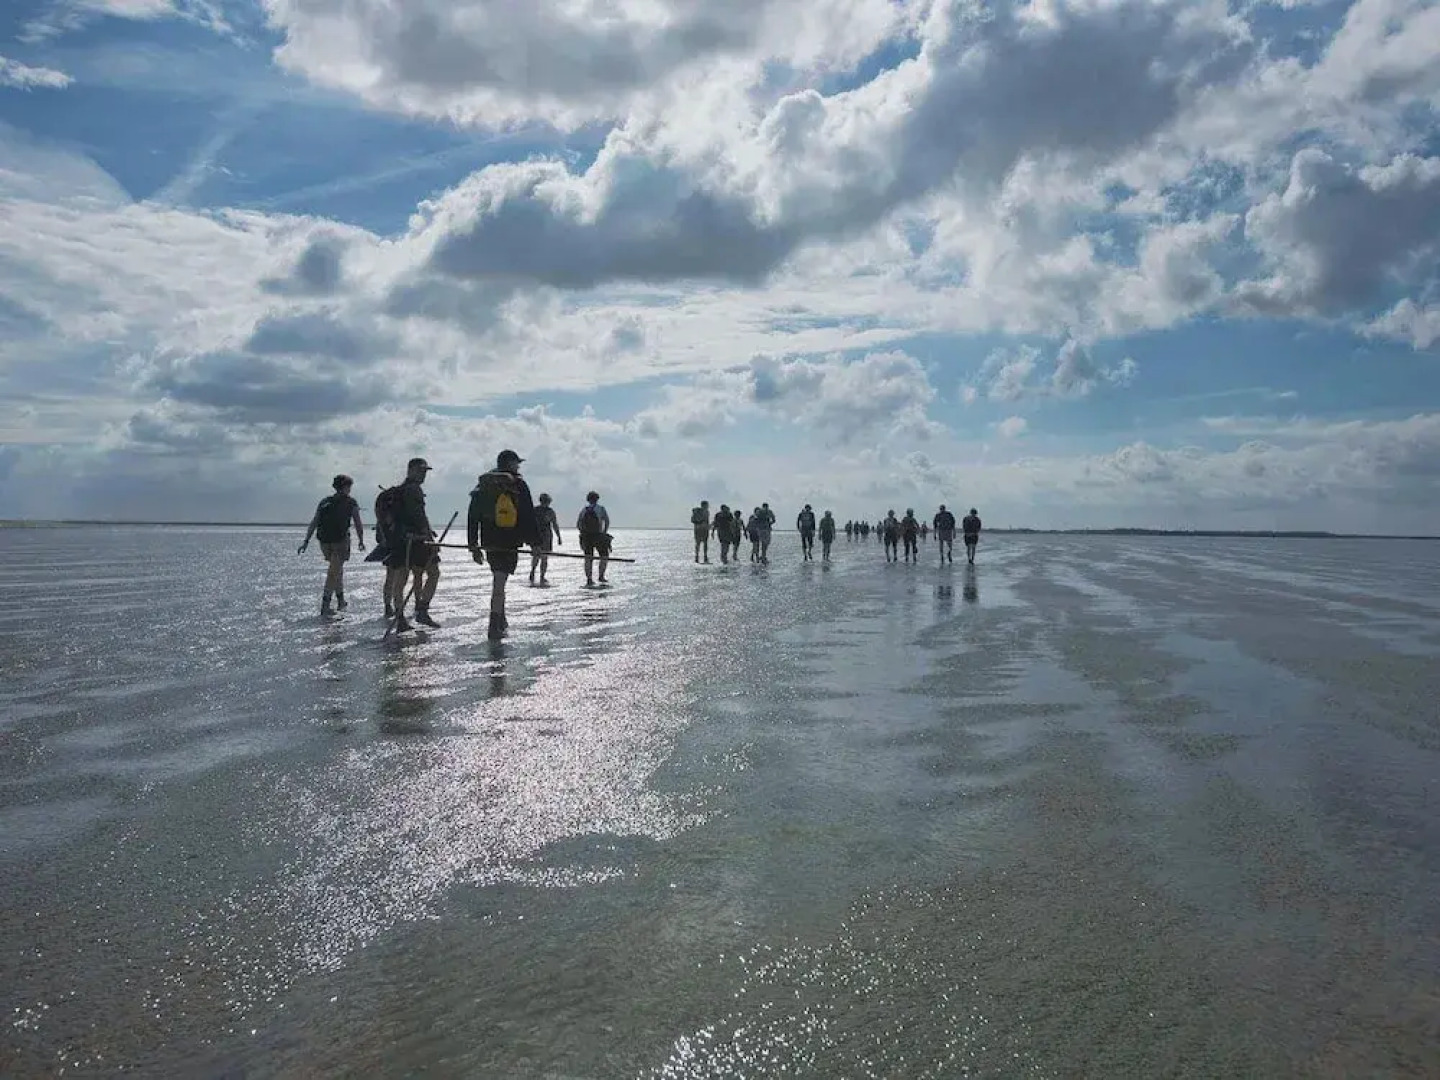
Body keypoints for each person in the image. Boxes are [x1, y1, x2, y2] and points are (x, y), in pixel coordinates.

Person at [467, 449, 541, 639]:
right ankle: (494, 623)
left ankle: (501, 618)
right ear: (510, 463)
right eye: (517, 463)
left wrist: (473, 544)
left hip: (489, 540)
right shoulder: (517, 484)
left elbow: (472, 515)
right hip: (510, 540)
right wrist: (535, 544)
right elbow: (528, 516)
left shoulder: (484, 485)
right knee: (499, 581)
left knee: (500, 578)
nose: (518, 466)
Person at [382, 458, 439, 631]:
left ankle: (401, 618)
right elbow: (419, 515)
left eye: (425, 472)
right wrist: (429, 538)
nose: (423, 475)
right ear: (411, 470)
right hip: (415, 540)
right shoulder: (413, 490)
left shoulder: (399, 491)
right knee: (432, 572)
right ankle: (420, 611)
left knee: (402, 578)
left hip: (401, 540)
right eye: (421, 471)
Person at [298, 474, 365, 617]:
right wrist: (361, 540)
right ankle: (325, 605)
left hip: (324, 542)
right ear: (345, 487)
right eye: (349, 487)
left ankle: (341, 600)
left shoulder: (325, 502)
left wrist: (306, 541)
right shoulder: (351, 502)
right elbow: (358, 523)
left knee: (337, 569)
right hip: (340, 541)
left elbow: (315, 522)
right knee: (333, 572)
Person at [577, 491, 612, 586]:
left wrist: (582, 533)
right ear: (597, 499)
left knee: (588, 558)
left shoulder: (584, 510)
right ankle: (601, 576)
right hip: (598, 535)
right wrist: (604, 532)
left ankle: (589, 579)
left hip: (586, 537)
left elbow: (578, 524)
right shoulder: (601, 509)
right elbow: (607, 521)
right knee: (604, 556)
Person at [530, 492, 563, 585]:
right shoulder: (550, 511)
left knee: (536, 556)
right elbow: (555, 524)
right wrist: (559, 537)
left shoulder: (534, 510)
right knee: (544, 557)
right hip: (546, 536)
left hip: (535, 535)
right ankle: (542, 576)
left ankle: (533, 571)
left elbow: (530, 523)